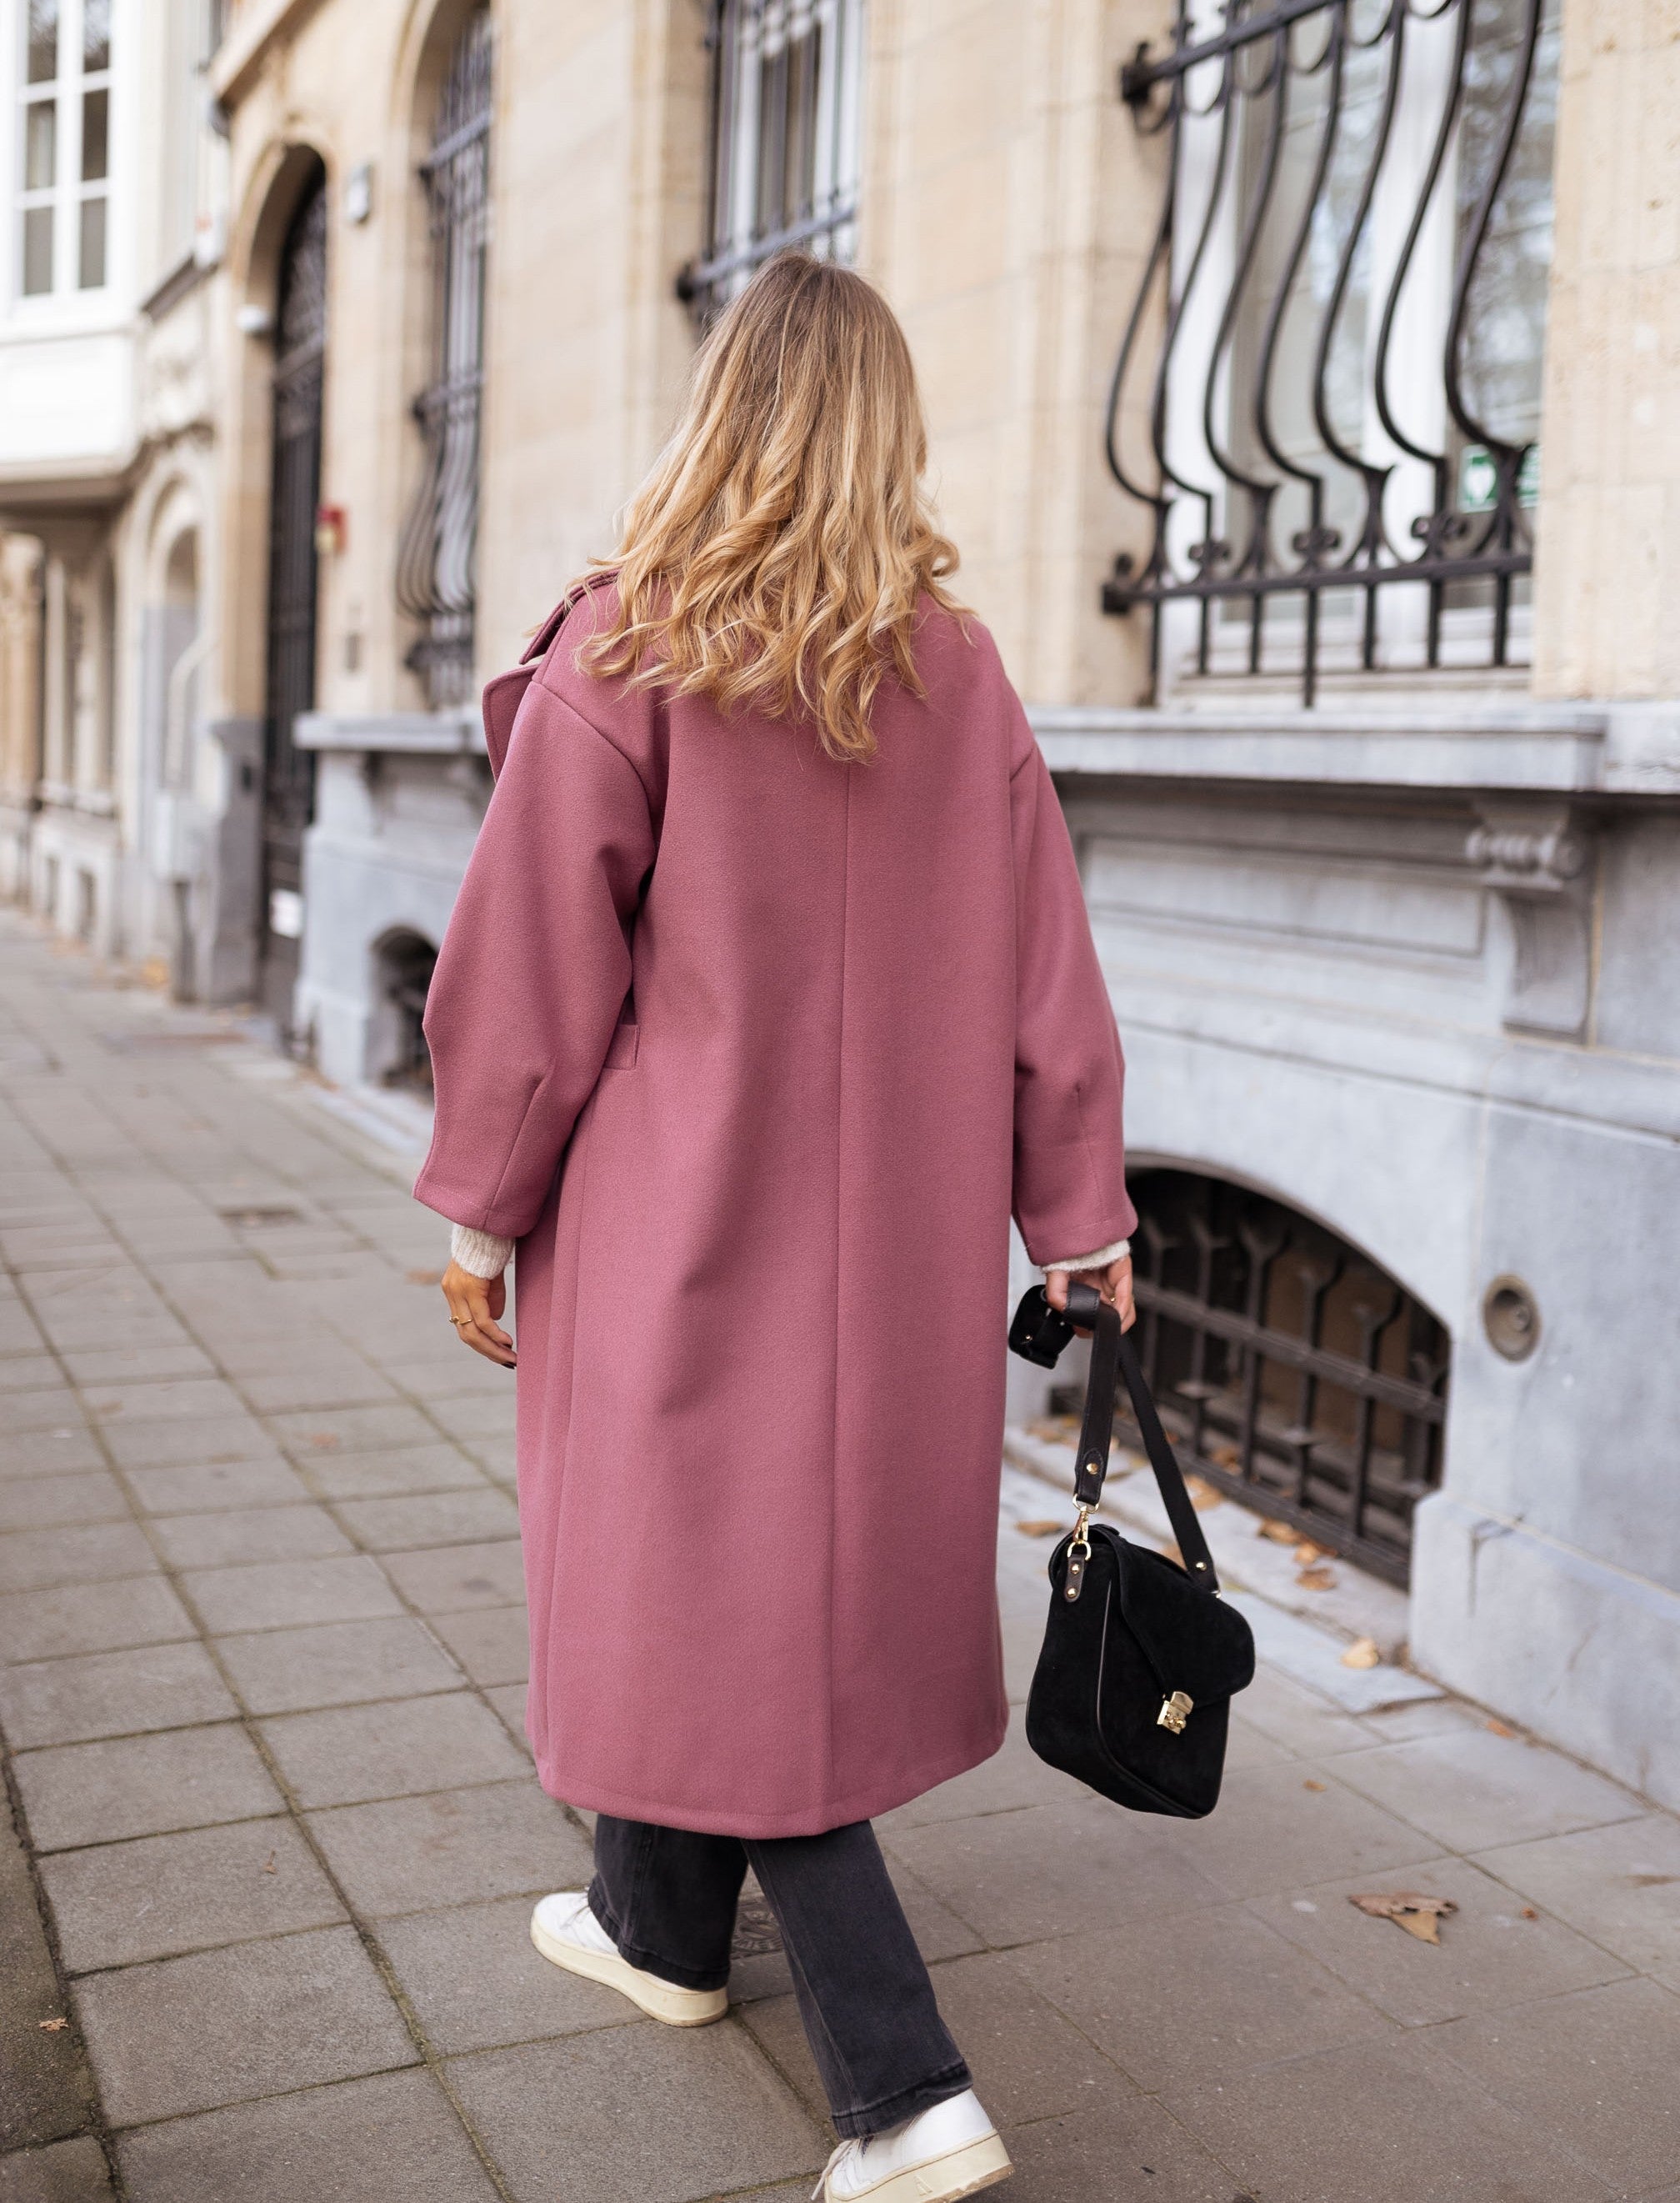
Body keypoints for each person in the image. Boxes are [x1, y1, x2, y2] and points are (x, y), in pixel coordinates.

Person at [414, 251, 1136, 2203]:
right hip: (889, 1257)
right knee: (736, 1593)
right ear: (887, 432)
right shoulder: (957, 674)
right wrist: (1076, 1211)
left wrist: (479, 1211)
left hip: (672, 1235)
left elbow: (524, 979)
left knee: (723, 1616)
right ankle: (653, 1923)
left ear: (719, 409)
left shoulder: (627, 653)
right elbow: (1049, 980)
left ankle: (906, 2091)